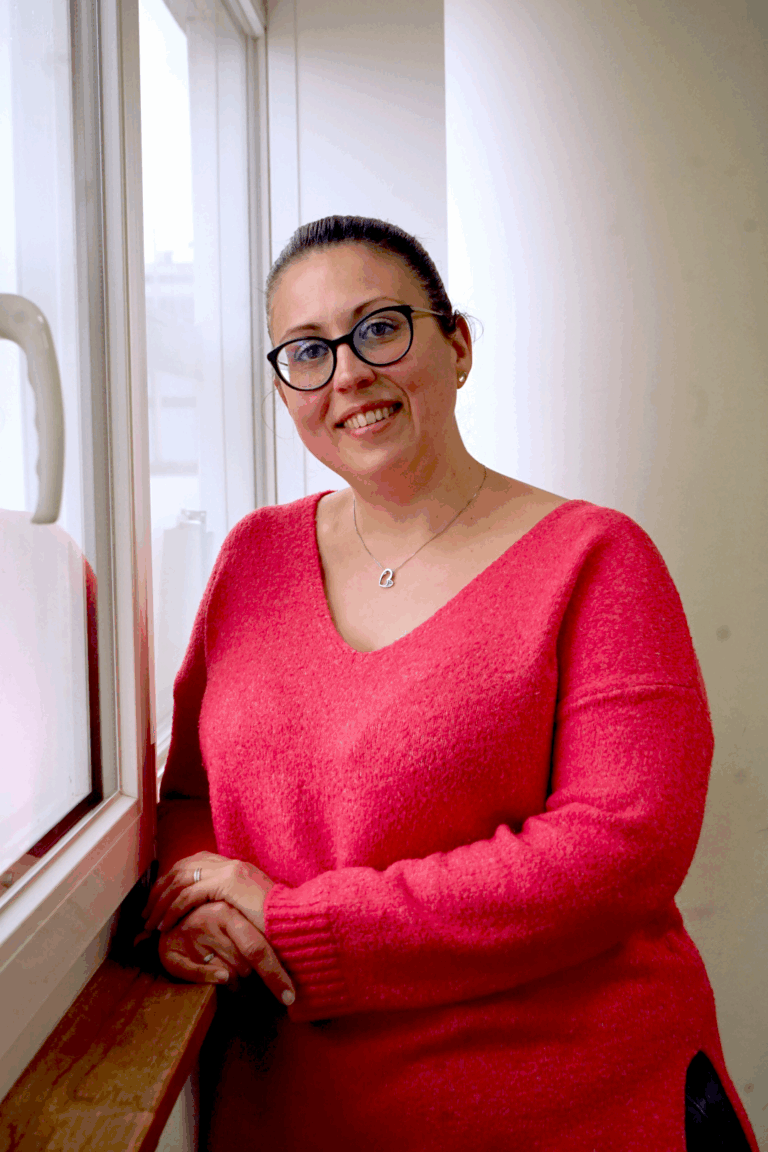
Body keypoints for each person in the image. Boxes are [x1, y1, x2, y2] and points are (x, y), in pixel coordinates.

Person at [139, 216, 758, 1151]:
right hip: (300, 1116)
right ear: (284, 389)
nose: (348, 373)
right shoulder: (253, 559)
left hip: (575, 1110)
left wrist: (303, 925)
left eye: (379, 329)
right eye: (308, 351)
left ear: (457, 346)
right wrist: (194, 908)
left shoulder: (597, 559)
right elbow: (191, 798)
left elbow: (618, 853)